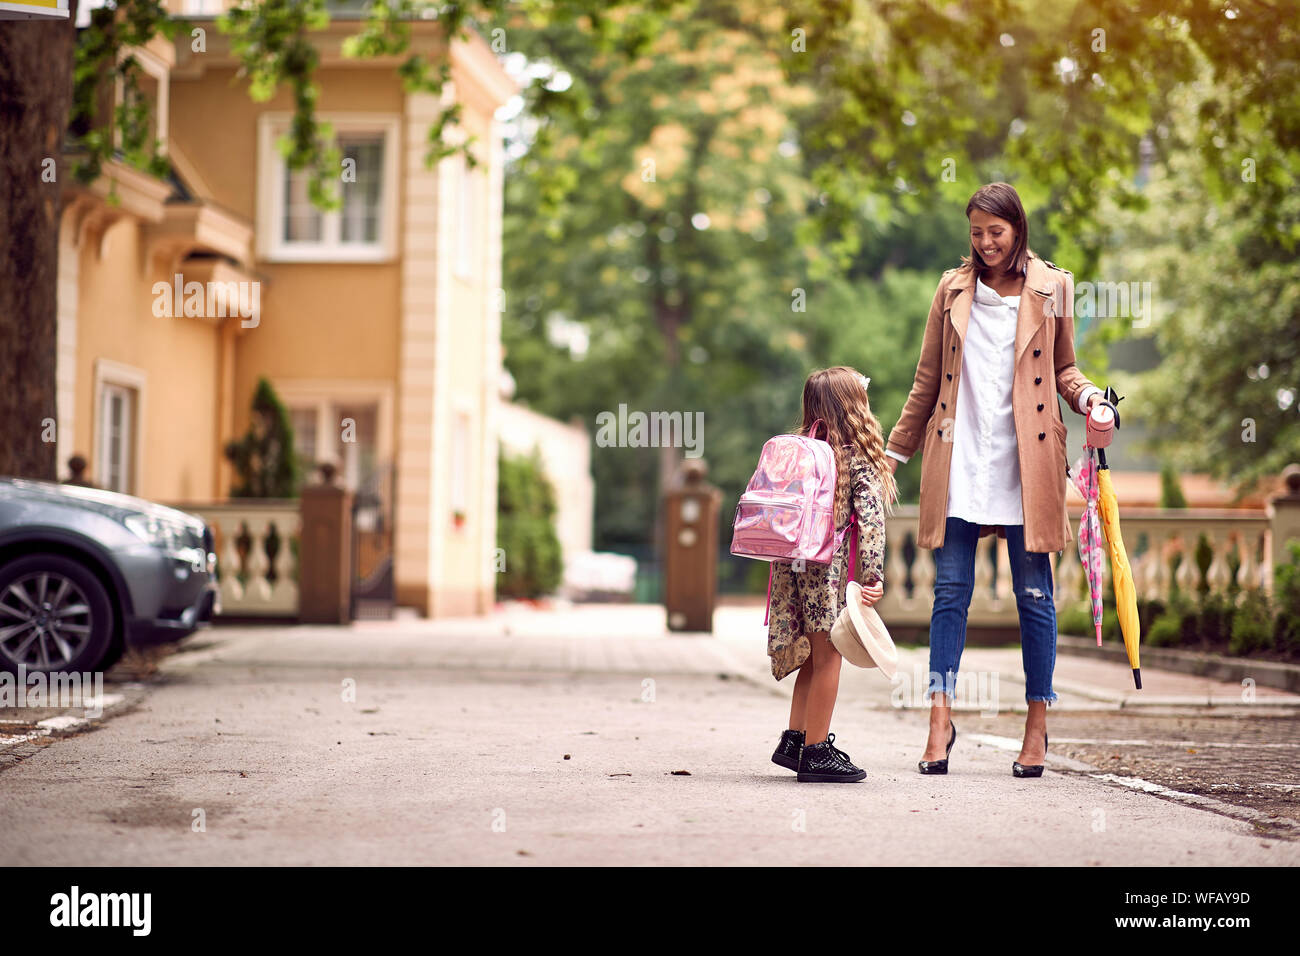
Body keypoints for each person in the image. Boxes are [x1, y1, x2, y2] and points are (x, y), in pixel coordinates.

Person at [884, 182, 1104, 778]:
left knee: (1035, 597)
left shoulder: (1053, 286)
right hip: (959, 456)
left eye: (996, 233)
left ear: (1017, 229)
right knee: (949, 594)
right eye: (976, 233)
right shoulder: (951, 289)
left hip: (1024, 458)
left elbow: (1064, 366)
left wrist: (1089, 399)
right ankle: (940, 717)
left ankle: (1037, 725)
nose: (984, 244)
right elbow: (926, 378)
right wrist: (894, 453)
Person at [767, 366, 899, 782]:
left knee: (813, 655)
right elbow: (872, 520)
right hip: (825, 574)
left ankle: (796, 740)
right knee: (830, 658)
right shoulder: (856, 457)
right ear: (856, 408)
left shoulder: (800, 452)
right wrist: (874, 574)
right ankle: (817, 753)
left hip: (791, 570)